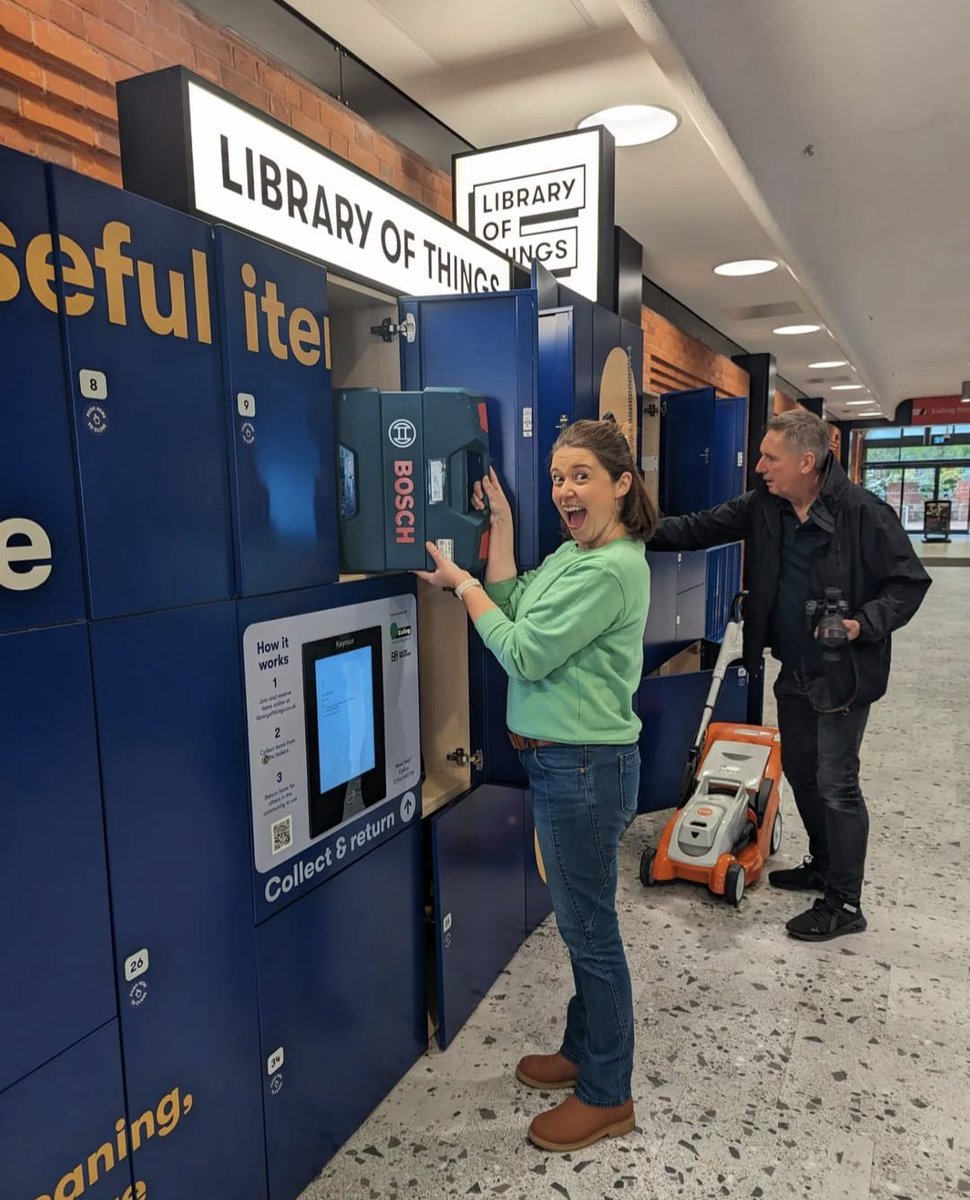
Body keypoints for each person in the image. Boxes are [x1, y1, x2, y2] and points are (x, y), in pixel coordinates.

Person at [415, 418, 656, 1152]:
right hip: (564, 764)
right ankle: (583, 1053)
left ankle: (608, 1095)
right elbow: (514, 600)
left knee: (591, 935)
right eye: (557, 478)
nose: (565, 490)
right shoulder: (573, 555)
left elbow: (519, 652)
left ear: (621, 482)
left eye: (581, 475)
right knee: (582, 925)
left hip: (584, 769)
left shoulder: (610, 568)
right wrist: (505, 530)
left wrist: (458, 585)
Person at [648, 407, 930, 941]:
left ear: (807, 460)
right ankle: (823, 866)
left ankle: (845, 904)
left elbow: (908, 584)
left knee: (837, 784)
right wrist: (629, 531)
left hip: (844, 673)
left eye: (769, 457)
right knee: (801, 773)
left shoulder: (864, 513)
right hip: (794, 668)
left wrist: (858, 624)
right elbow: (698, 527)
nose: (758, 467)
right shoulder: (766, 506)